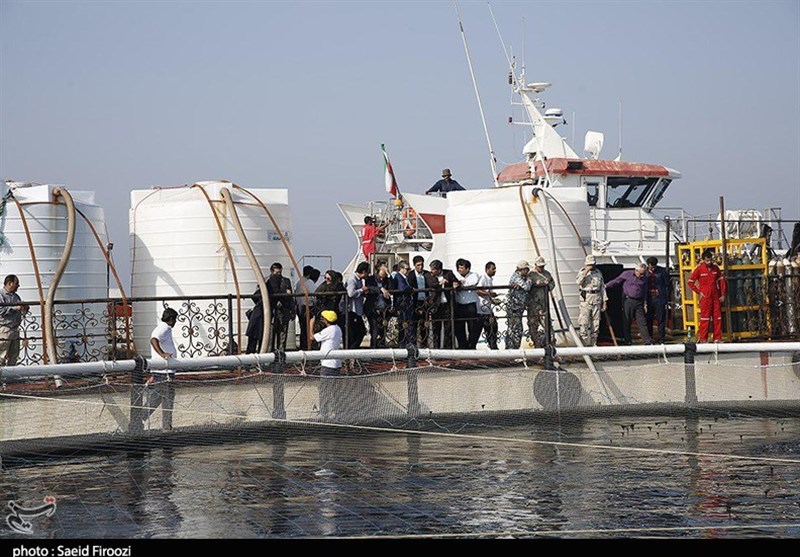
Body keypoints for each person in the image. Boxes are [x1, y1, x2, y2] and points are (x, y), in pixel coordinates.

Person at [605, 263, 653, 345]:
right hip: (628, 300)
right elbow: (616, 281)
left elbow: (645, 290)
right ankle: (627, 341)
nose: (641, 275)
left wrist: (645, 303)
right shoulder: (627, 274)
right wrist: (606, 286)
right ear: (636, 270)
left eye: (643, 273)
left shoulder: (644, 278)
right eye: (640, 273)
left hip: (639, 301)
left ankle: (647, 341)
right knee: (627, 320)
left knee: (642, 321)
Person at [147, 307, 179, 430]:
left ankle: (139, 419)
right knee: (167, 400)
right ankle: (167, 428)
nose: (175, 322)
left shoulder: (163, 328)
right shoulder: (164, 328)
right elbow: (154, 340)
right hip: (164, 372)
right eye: (175, 319)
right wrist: (162, 354)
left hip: (161, 371)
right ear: (171, 319)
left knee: (158, 399)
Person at [687, 249, 727, 342]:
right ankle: (703, 339)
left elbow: (721, 282)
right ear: (703, 260)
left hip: (715, 296)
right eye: (707, 260)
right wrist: (699, 292)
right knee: (705, 318)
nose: (709, 262)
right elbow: (690, 282)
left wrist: (723, 294)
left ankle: (717, 338)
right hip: (705, 297)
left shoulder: (716, 269)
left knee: (717, 317)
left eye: (710, 260)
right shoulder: (699, 269)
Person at [314, 310, 343, 420]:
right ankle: (337, 413)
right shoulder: (338, 329)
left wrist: (311, 323)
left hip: (328, 365)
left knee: (324, 390)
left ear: (326, 320)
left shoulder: (329, 330)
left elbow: (313, 337)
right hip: (336, 364)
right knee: (335, 391)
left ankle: (324, 413)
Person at [576, 255, 607, 347]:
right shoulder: (582, 272)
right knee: (584, 323)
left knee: (596, 324)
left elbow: (602, 287)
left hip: (596, 299)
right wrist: (586, 271)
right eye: (589, 264)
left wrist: (604, 301)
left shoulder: (598, 272)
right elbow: (578, 282)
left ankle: (593, 344)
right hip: (586, 300)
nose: (591, 266)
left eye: (592, 264)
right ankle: (583, 345)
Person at [407, 255, 438, 347]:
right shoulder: (411, 274)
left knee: (425, 325)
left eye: (421, 265)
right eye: (418, 265)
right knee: (414, 324)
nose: (420, 267)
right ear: (414, 265)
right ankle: (412, 345)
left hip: (425, 301)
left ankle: (424, 344)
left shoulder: (426, 274)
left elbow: (433, 284)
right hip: (415, 302)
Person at [0, 274, 29, 367]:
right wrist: (15, 308)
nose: (18, 287)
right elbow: (1, 311)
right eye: (16, 284)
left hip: (15, 329)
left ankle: (10, 379)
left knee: (14, 356)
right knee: (2, 355)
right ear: (10, 283)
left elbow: (20, 310)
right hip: (5, 328)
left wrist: (24, 308)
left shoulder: (16, 296)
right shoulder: (1, 295)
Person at [528, 256, 556, 348]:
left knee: (548, 326)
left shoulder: (547, 274)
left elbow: (552, 283)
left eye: (542, 266)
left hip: (543, 305)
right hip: (533, 305)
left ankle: (550, 346)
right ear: (535, 265)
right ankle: (537, 346)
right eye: (539, 266)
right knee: (533, 327)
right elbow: (527, 286)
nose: (541, 268)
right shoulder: (531, 275)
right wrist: (535, 284)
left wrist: (546, 286)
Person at [453, 258, 481, 349]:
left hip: (470, 304)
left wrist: (461, 284)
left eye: (462, 268)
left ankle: (471, 345)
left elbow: (473, 283)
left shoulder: (474, 275)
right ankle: (462, 346)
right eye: (458, 268)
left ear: (468, 269)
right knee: (459, 327)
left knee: (472, 326)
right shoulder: (455, 276)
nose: (459, 270)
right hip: (459, 304)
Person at [266, 262, 294, 351]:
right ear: (271, 271)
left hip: (284, 310)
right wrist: (284, 293)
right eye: (276, 273)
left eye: (280, 273)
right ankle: (269, 354)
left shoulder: (286, 281)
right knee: (270, 333)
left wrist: (292, 310)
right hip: (272, 311)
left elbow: (290, 296)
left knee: (282, 333)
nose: (278, 275)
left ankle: (281, 354)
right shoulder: (267, 281)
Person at [429, 260, 456, 349]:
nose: (431, 271)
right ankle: (436, 348)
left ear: (439, 269)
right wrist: (440, 283)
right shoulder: (430, 276)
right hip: (436, 304)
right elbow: (431, 285)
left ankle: (447, 348)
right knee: (436, 327)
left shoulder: (449, 273)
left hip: (447, 304)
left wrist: (456, 284)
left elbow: (455, 281)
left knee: (448, 327)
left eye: (433, 270)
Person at [364, 261, 392, 348]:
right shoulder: (370, 279)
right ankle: (373, 349)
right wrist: (381, 289)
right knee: (374, 330)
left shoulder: (387, 280)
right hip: (373, 309)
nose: (385, 272)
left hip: (384, 310)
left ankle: (382, 349)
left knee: (383, 330)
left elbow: (392, 287)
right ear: (378, 270)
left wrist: (389, 275)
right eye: (383, 270)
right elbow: (369, 287)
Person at [506, 260, 533, 349]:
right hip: (514, 308)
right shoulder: (516, 277)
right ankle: (511, 351)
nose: (528, 271)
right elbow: (527, 287)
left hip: (518, 307)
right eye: (527, 269)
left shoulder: (521, 277)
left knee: (516, 329)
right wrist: (529, 279)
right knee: (515, 330)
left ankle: (513, 350)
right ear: (522, 269)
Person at [344, 262, 370, 349]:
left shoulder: (359, 280)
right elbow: (350, 293)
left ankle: (353, 350)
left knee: (361, 331)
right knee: (357, 332)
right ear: (363, 271)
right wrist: (361, 290)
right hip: (352, 310)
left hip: (357, 310)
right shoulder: (352, 279)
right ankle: (352, 350)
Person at [645, 256, 670, 344]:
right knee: (649, 319)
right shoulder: (645, 272)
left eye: (654, 266)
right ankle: (649, 339)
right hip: (648, 299)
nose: (653, 268)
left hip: (659, 298)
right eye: (651, 266)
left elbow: (667, 283)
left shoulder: (662, 271)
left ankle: (661, 339)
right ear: (648, 265)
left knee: (661, 319)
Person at [295, 266, 319, 350]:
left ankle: (303, 345)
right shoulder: (309, 283)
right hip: (307, 307)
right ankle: (307, 346)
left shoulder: (299, 282)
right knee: (307, 328)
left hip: (300, 307)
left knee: (303, 328)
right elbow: (316, 295)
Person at [391, 260, 414, 346]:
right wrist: (411, 288)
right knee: (403, 325)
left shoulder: (405, 277)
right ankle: (403, 345)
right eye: (407, 269)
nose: (408, 271)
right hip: (402, 304)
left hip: (406, 304)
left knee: (406, 325)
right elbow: (402, 288)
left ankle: (407, 343)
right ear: (401, 269)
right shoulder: (399, 277)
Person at [476, 261, 498, 350]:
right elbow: (478, 290)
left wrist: (493, 300)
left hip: (487, 308)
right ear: (487, 269)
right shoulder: (483, 278)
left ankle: (493, 346)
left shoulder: (490, 279)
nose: (495, 271)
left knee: (493, 327)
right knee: (487, 328)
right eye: (493, 269)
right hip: (482, 308)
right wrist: (489, 294)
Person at [245, 288, 265, 354]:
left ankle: (249, 360)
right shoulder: (268, 291)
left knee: (253, 341)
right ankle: (258, 358)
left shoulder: (259, 304)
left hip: (257, 318)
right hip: (260, 319)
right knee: (260, 340)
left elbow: (254, 296)